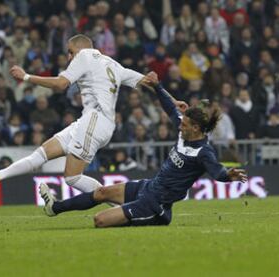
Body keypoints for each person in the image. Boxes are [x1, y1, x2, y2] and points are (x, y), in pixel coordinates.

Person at [0, 34, 177, 193]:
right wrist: (174, 101)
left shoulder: (84, 55)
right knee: (41, 154)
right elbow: (149, 82)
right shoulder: (113, 64)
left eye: (70, 51)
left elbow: (61, 84)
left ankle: (123, 206)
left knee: (72, 177)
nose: (69, 56)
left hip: (96, 121)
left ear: (80, 48)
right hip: (90, 122)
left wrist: (26, 77)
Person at [39, 72, 247, 228]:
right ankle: (54, 208)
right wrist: (157, 86)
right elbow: (168, 108)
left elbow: (217, 172)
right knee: (102, 192)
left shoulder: (203, 152)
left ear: (195, 128)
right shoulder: (184, 131)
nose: (180, 125)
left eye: (185, 124)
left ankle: (135, 216)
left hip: (156, 205)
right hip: (148, 187)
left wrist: (228, 175)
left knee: (100, 221)